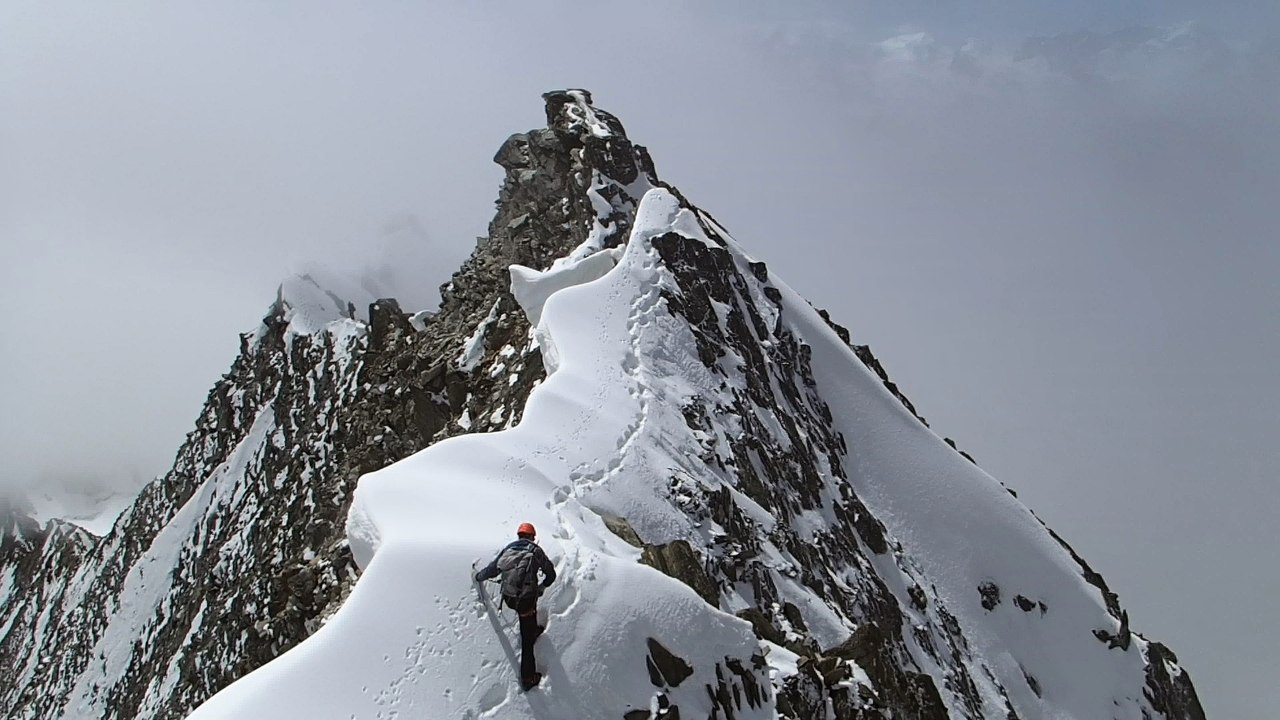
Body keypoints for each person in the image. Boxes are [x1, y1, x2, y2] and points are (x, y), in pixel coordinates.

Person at [474, 521, 557, 691]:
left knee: (527, 616)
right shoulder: (535, 551)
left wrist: (478, 577)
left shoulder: (509, 549)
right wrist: (541, 587)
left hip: (510, 599)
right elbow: (551, 575)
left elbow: (493, 569)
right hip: (526, 601)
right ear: (532, 537)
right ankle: (528, 678)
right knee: (527, 641)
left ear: (519, 535)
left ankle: (532, 630)